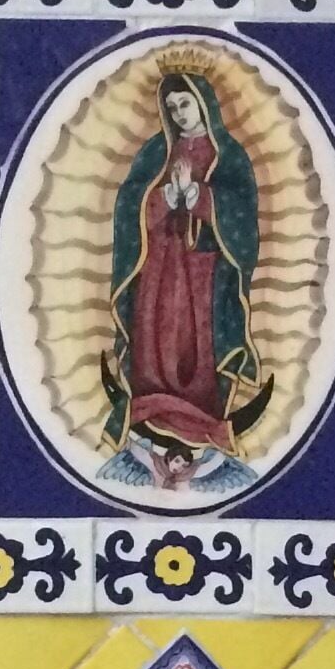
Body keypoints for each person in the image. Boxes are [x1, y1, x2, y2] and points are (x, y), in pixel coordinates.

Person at [98, 59, 269, 494]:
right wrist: (163, 198)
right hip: (159, 264)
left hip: (205, 269)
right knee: (157, 338)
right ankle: (151, 412)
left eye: (186, 104)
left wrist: (200, 198)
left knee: (196, 342)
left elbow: (243, 218)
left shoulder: (228, 155)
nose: (180, 114)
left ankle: (200, 419)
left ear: (204, 103)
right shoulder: (157, 152)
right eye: (173, 107)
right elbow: (130, 206)